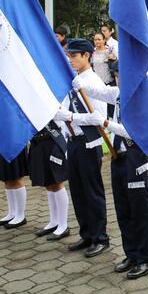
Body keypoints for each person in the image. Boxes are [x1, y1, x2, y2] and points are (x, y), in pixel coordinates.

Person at [86, 62, 148, 280]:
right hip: (118, 158)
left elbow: (135, 132)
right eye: (116, 75)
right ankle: (132, 253)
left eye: (123, 75)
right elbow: (96, 90)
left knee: (138, 209)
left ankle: (146, 257)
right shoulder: (117, 93)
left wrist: (107, 123)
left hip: (135, 158)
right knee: (123, 208)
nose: (119, 80)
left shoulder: (140, 98)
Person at [53, 39, 111, 258]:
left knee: (92, 192)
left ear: (87, 56)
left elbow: (98, 118)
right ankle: (86, 233)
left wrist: (69, 116)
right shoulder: (73, 80)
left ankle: (100, 237)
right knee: (77, 190)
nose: (71, 60)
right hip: (73, 142)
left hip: (89, 142)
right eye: (69, 56)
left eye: (74, 56)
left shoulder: (93, 82)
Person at [28, 121, 71, 241]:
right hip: (38, 142)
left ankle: (63, 225)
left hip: (52, 141)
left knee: (56, 182)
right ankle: (54, 221)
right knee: (48, 183)